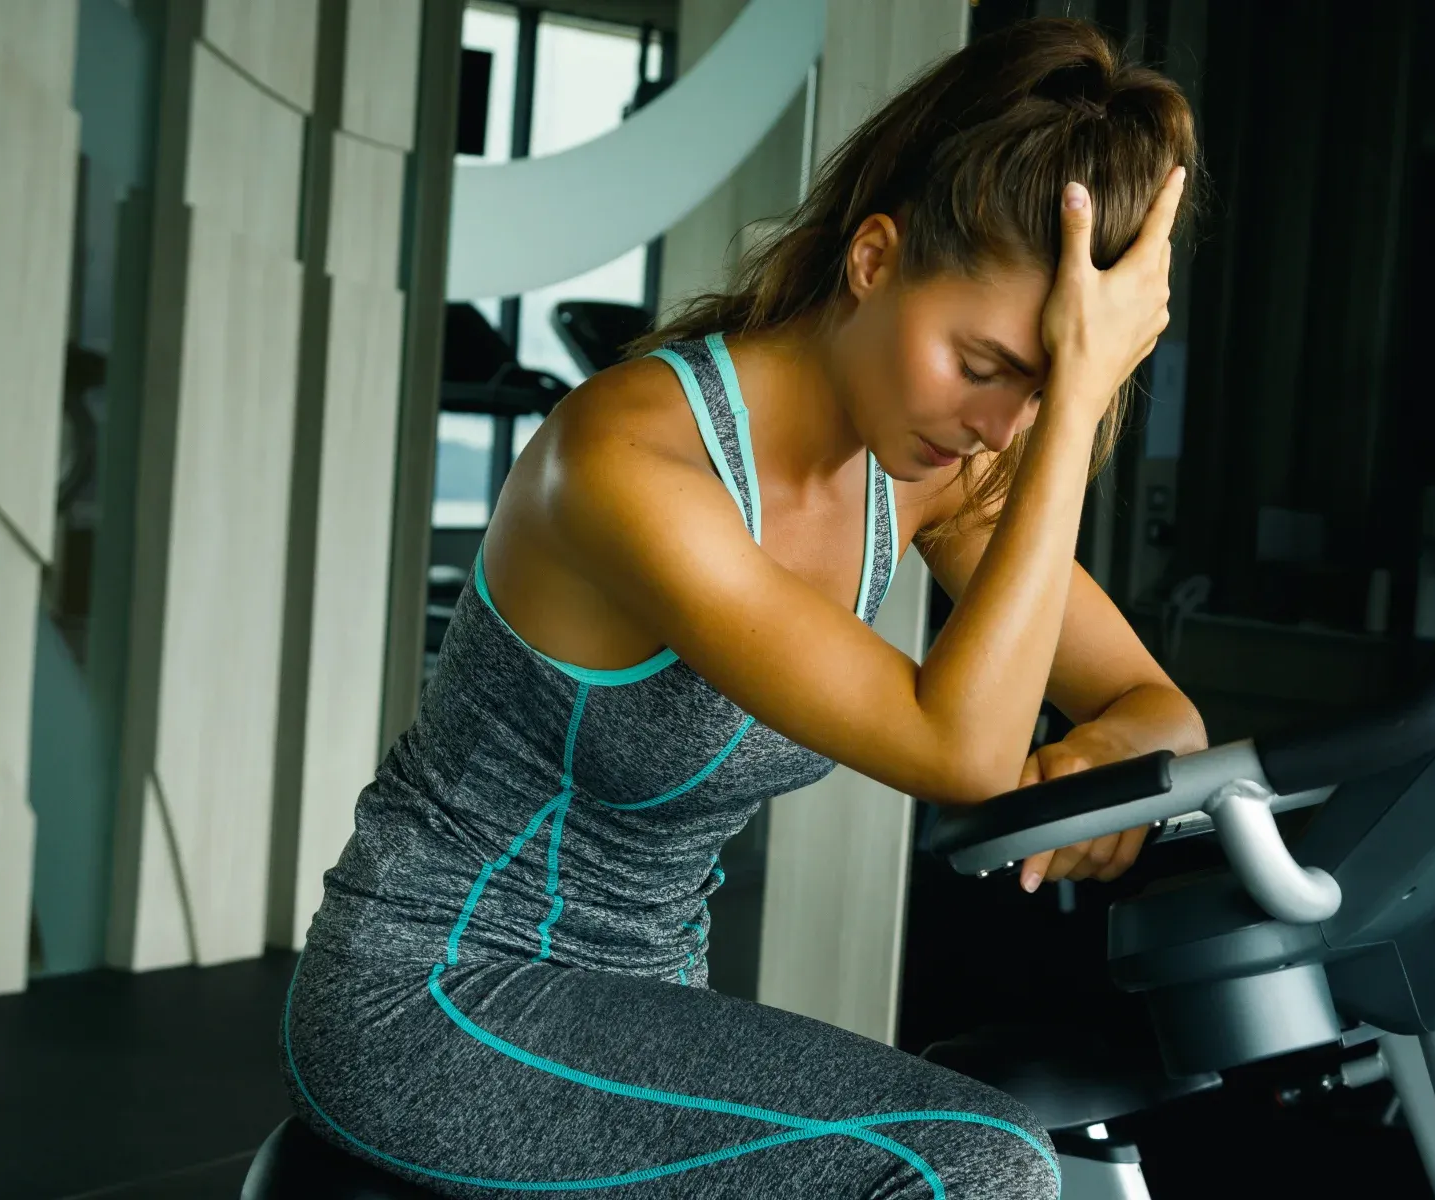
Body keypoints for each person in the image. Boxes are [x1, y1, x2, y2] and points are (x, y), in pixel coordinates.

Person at [281, 17, 1205, 1200]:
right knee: (973, 1167)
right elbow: (963, 750)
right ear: (874, 259)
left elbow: (1159, 708)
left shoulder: (921, 474)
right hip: (434, 998)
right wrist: (1077, 400)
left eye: (1042, 385)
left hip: (641, 1003)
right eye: (984, 366)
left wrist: (1117, 748)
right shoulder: (626, 465)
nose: (1002, 427)